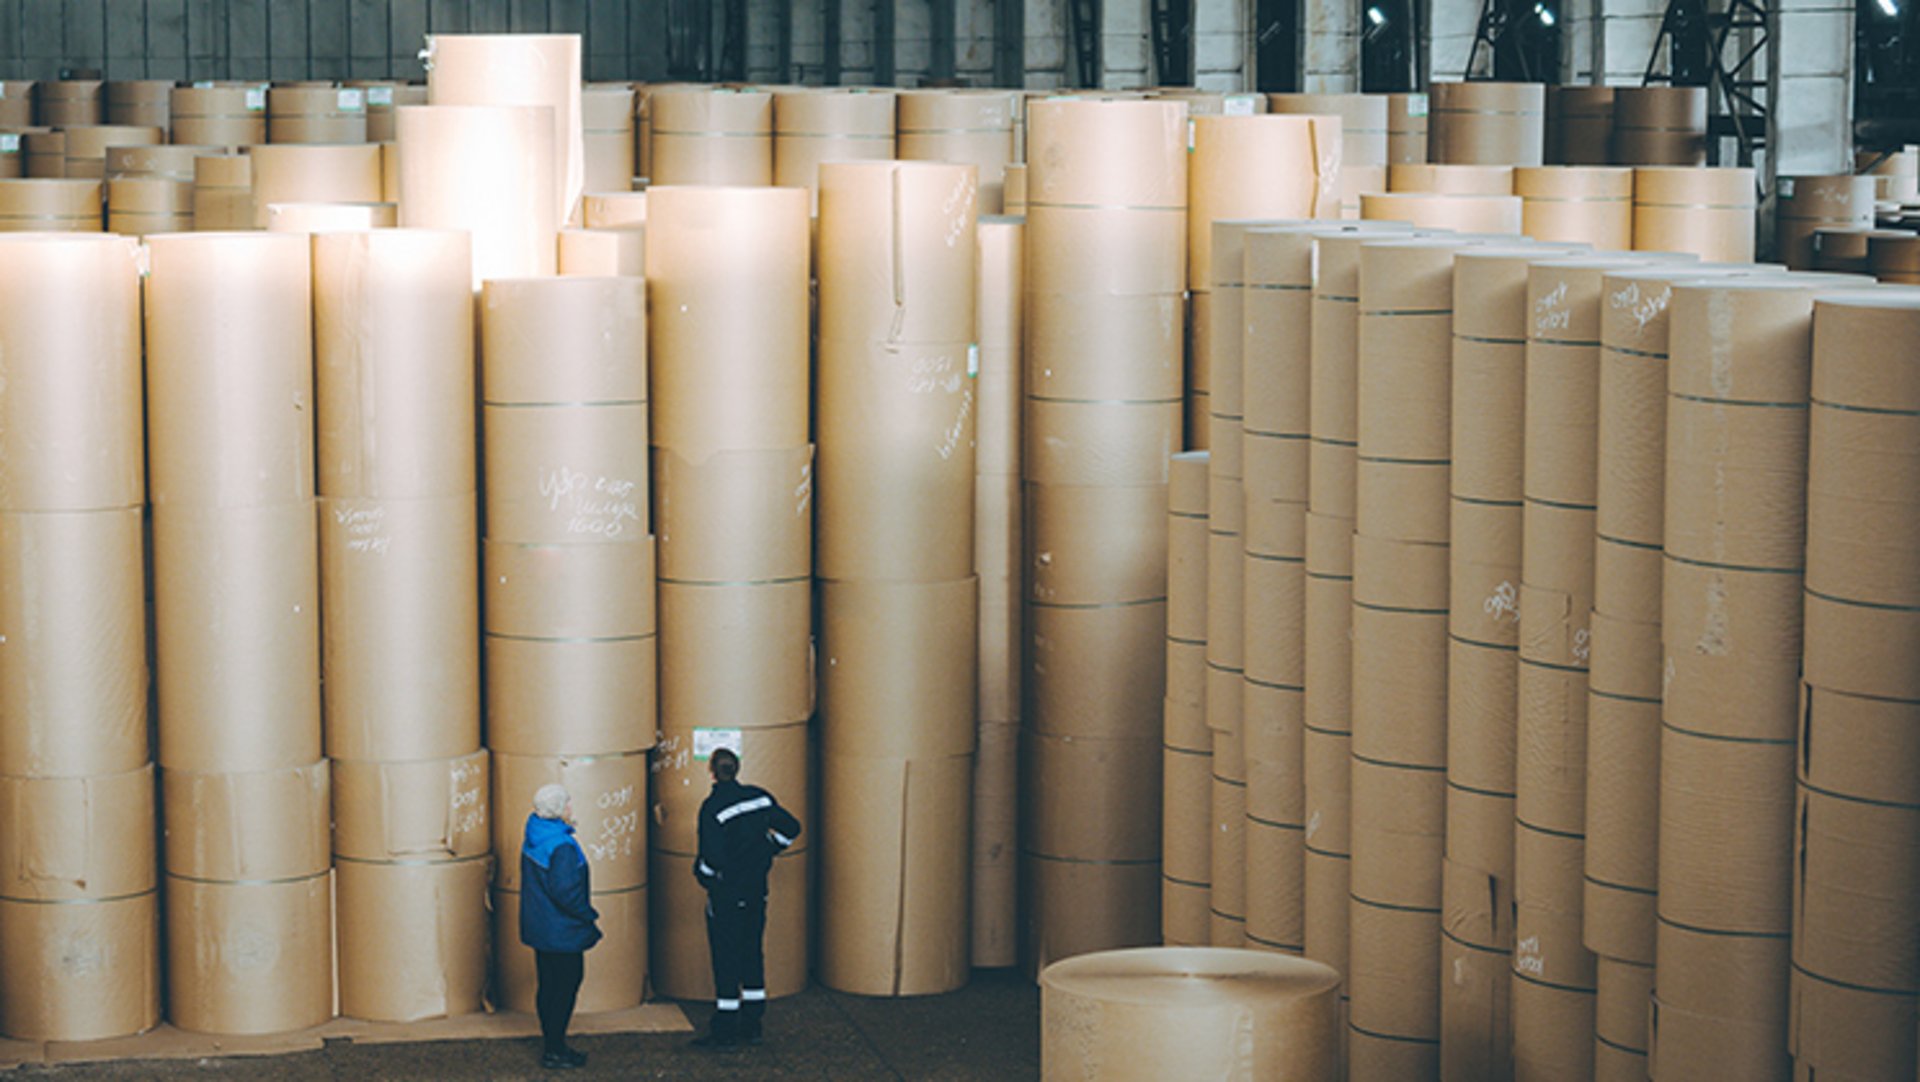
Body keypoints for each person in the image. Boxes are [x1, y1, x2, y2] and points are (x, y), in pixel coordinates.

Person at [691, 746, 802, 1048]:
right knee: (752, 951)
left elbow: (711, 859)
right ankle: (753, 1024)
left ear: (712, 772)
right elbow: (792, 828)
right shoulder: (759, 797)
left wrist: (703, 876)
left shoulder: (713, 808)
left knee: (726, 956)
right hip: (756, 891)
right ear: (737, 769)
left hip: (727, 894)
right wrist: (770, 849)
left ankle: (726, 1028)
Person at [521, 783, 602, 1070]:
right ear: (558, 809)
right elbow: (565, 892)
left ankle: (552, 1045)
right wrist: (588, 915)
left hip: (540, 927)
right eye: (567, 803)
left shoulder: (535, 833)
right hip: (562, 930)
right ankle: (555, 1050)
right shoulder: (562, 846)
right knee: (566, 986)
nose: (570, 807)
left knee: (548, 986)